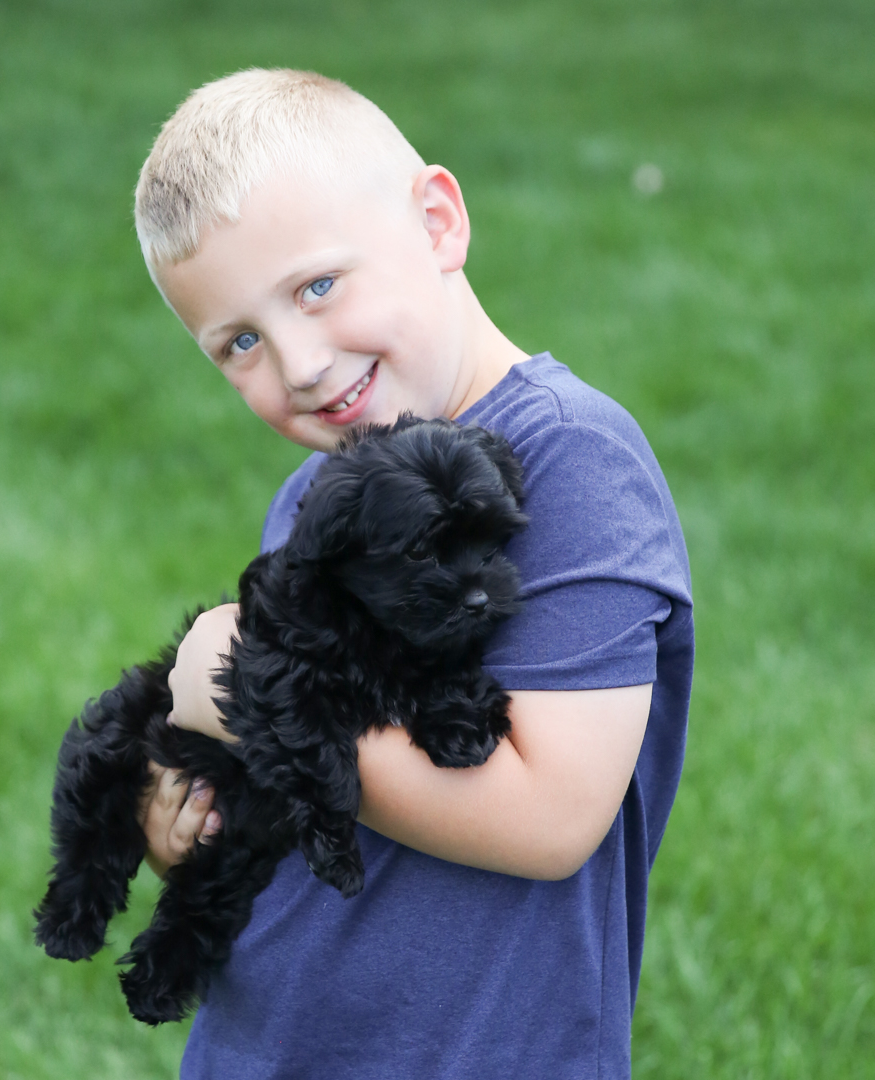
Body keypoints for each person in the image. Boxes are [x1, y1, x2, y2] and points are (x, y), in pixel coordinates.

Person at [132, 68, 693, 1079]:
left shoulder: (571, 461)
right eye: (240, 342)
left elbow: (552, 817)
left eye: (317, 286)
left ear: (438, 222)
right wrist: (194, 812)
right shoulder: (320, 495)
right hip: (268, 1044)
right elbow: (314, 752)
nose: (298, 363)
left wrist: (247, 691)